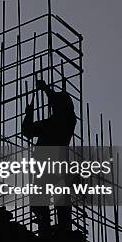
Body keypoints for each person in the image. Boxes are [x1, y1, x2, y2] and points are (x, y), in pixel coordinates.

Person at [22, 78, 77, 233]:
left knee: (60, 199)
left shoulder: (66, 119)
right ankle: (46, 227)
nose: (52, 106)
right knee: (41, 201)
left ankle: (60, 230)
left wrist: (46, 89)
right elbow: (28, 131)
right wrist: (29, 115)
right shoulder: (52, 122)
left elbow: (57, 101)